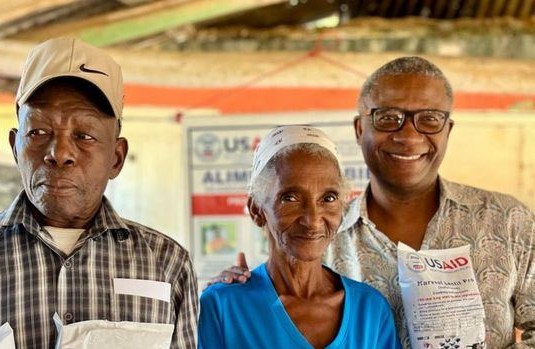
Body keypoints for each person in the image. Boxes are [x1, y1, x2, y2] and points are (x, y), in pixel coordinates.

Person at [210, 57, 535, 348]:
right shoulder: (321, 235)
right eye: (388, 117)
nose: (408, 136)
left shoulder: (508, 222)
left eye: (430, 119)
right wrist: (231, 290)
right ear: (359, 127)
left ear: (448, 129)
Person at [0, 37, 198, 348]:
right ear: (15, 147)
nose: (60, 152)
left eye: (84, 135)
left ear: (116, 158)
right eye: (39, 132)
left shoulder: (168, 264)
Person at [199, 126, 401, 349]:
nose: (312, 220)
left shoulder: (370, 310)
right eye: (290, 198)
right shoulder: (222, 307)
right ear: (257, 211)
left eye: (329, 198)